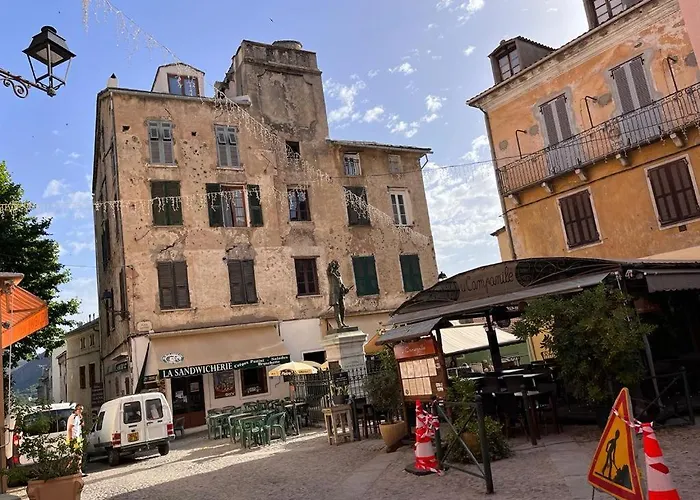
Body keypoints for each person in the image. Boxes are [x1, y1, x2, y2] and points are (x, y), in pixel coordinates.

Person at [66, 404, 88, 477]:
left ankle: (76, 470)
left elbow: (82, 425)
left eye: (82, 409)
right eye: (79, 409)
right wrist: (71, 439)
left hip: (78, 438)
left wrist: (81, 418)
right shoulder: (73, 417)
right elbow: (69, 429)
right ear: (76, 409)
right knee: (77, 455)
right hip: (74, 438)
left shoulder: (78, 417)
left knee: (78, 455)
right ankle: (74, 470)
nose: (81, 411)